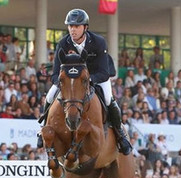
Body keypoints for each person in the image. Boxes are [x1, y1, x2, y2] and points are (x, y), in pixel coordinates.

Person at [37, 8, 131, 155]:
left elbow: (104, 72)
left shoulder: (98, 42)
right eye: (70, 26)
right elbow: (55, 73)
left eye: (76, 26)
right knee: (49, 96)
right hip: (70, 80)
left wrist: (88, 81)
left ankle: (120, 135)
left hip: (96, 76)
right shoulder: (63, 44)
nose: (73, 30)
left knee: (108, 99)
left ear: (85, 27)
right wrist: (62, 82)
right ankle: (43, 127)